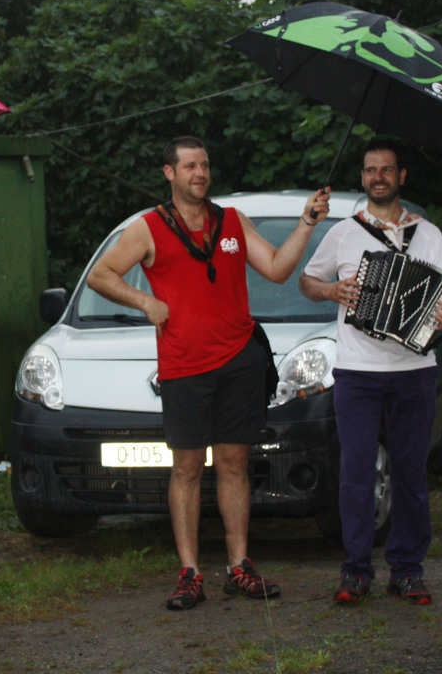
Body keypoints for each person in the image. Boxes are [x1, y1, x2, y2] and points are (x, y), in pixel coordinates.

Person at [87, 136, 330, 609]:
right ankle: (190, 572)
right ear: (169, 173)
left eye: (205, 165)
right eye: (190, 166)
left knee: (235, 464)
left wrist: (306, 223)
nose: (200, 173)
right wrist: (144, 301)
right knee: (187, 468)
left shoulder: (232, 221)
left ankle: (239, 566)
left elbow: (277, 269)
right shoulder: (148, 227)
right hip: (184, 366)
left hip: (239, 361)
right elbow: (101, 274)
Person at [299, 139, 442, 606]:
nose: (378, 177)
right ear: (363, 177)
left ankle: (407, 571)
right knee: (355, 473)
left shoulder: (427, 233)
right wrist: (332, 291)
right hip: (357, 372)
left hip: (415, 370)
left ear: (401, 176)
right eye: (371, 170)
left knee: (410, 473)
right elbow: (307, 281)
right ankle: (355, 570)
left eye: (386, 170)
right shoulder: (344, 233)